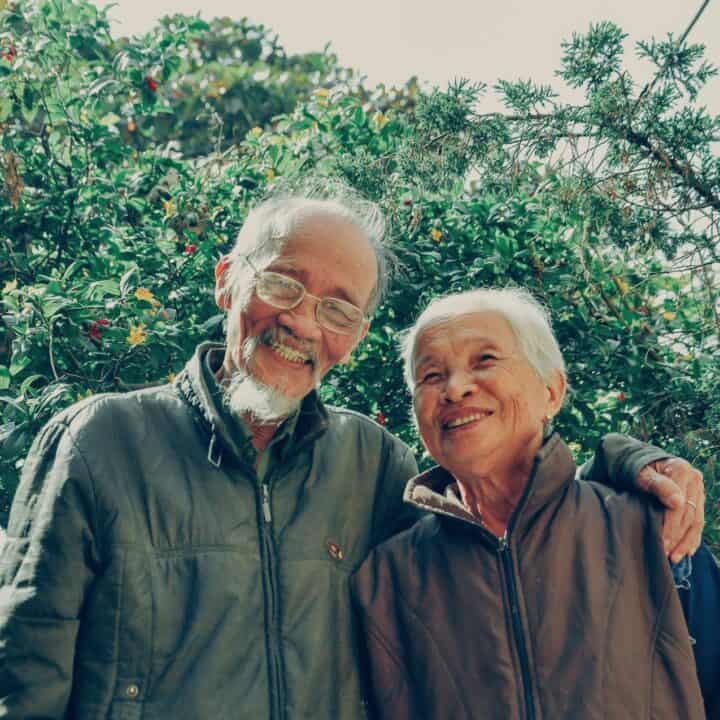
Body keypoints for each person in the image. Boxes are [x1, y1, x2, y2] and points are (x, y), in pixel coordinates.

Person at [0, 185, 706, 720]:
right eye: (282, 283)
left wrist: (626, 463)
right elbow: (24, 677)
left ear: (357, 334)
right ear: (226, 280)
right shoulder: (99, 443)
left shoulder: (368, 463)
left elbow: (507, 529)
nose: (302, 322)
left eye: (338, 308)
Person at [351, 287, 720, 720]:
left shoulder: (651, 529)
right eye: (431, 376)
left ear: (552, 391)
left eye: (484, 360)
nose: (455, 388)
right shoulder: (388, 578)